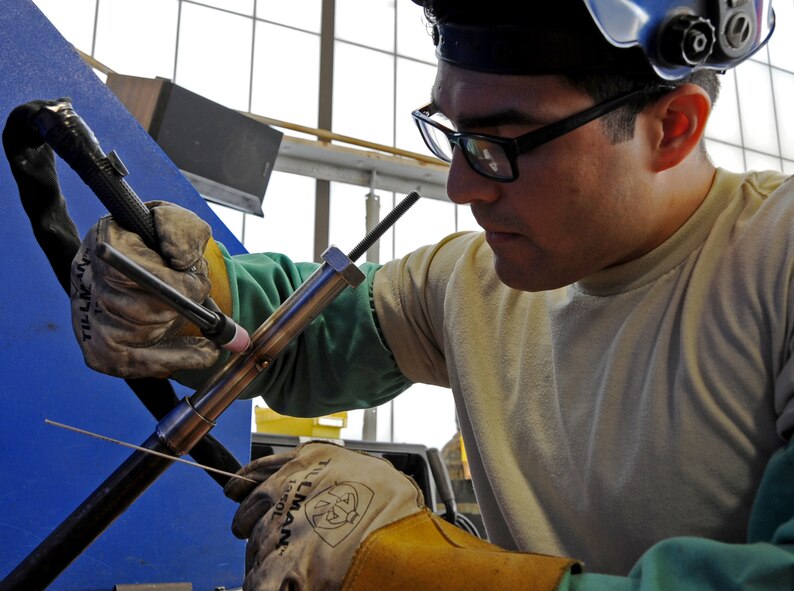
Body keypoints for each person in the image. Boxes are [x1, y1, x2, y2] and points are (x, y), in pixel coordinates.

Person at [69, 0, 794, 588]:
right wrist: (197, 294)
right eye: (451, 131)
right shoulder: (470, 280)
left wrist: (423, 572)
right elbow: (299, 340)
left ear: (672, 127)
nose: (460, 185)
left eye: (500, 144)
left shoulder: (775, 261)